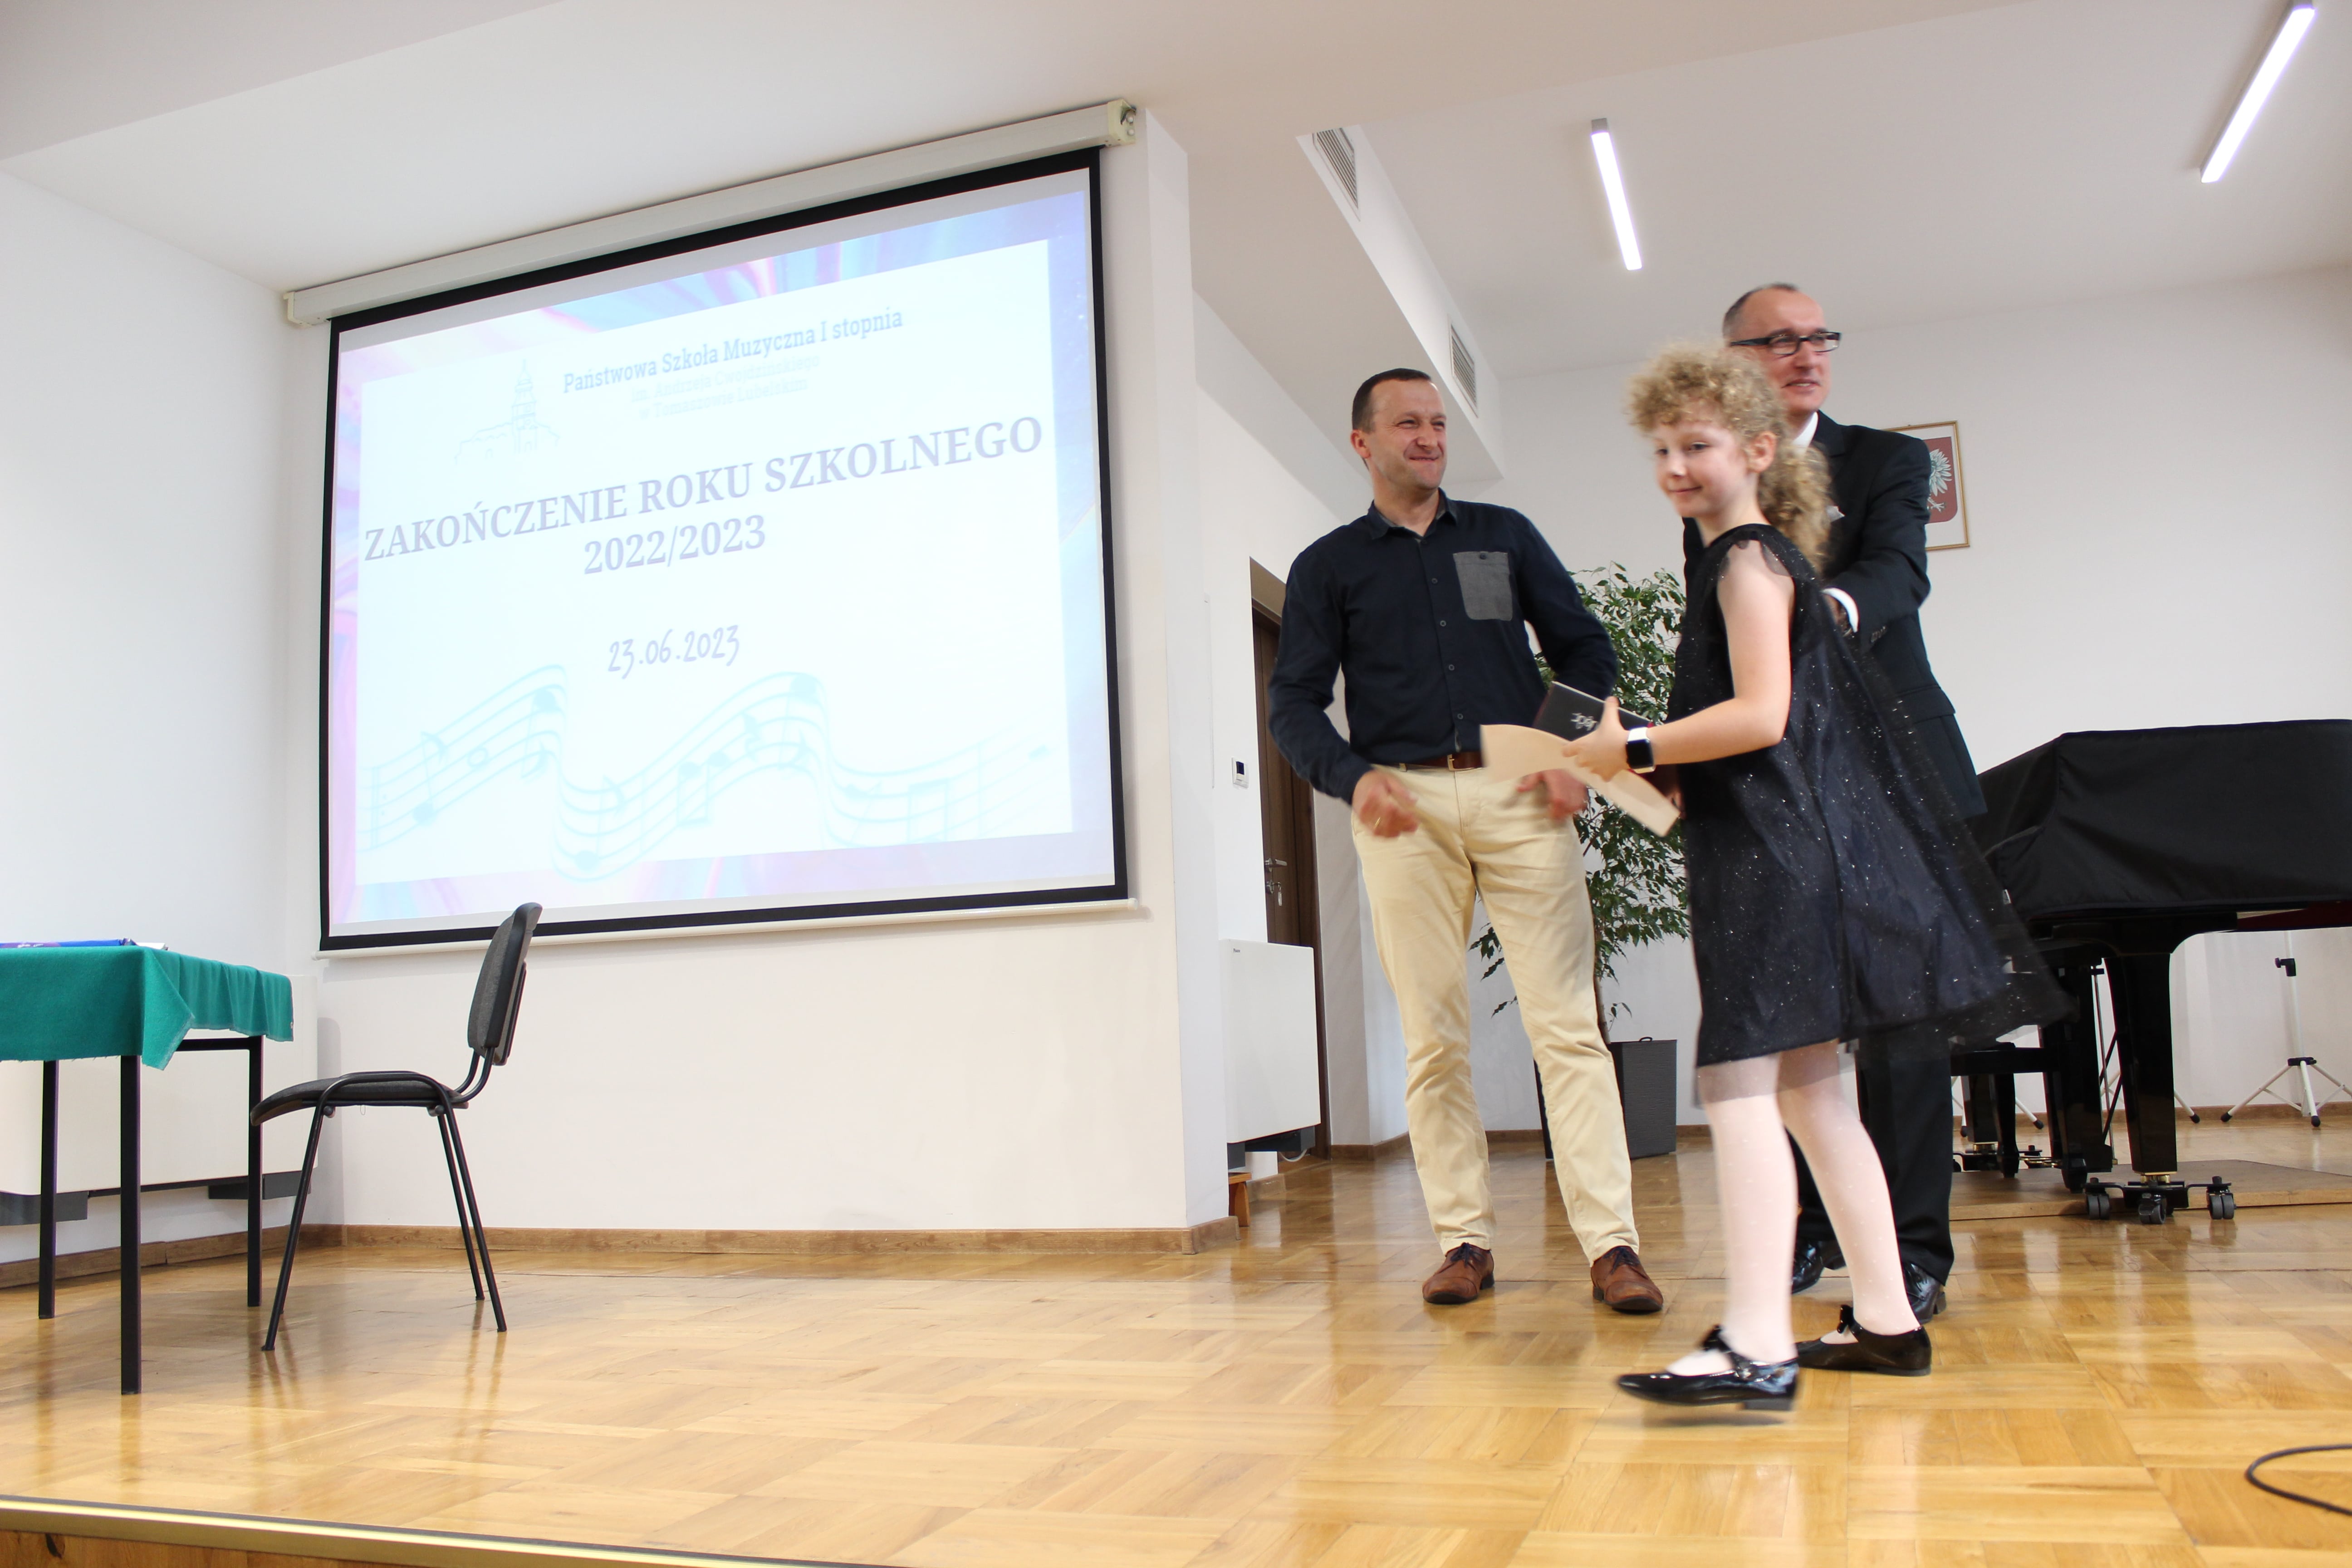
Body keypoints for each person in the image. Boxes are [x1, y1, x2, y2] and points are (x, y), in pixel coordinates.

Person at [1570, 346, 2056, 1407]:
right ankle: (1887, 1321)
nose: (1674, 467)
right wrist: (1661, 766)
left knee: (1736, 1085)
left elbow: (1762, 716)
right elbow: (1776, 737)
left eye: (1696, 446)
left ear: (1756, 451)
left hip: (1773, 862)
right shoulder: (1757, 558)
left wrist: (1633, 746)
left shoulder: (1746, 561)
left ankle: (1756, 1343)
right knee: (1813, 1094)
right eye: (1661, 449)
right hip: (1779, 847)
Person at [1268, 368, 1663, 1315]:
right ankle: (1464, 1242)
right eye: (1408, 423)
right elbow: (1293, 702)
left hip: (1520, 791)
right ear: (1363, 443)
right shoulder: (1329, 566)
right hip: (1401, 802)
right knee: (1433, 1038)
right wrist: (1352, 777)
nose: (1430, 437)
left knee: (1567, 1028)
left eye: (1439, 423)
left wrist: (1570, 747)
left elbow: (1586, 649)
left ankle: (1613, 1246)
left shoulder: (1504, 535)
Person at [1691, 284, 1978, 1323]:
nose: (1805, 353)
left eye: (1818, 337)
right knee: (1795, 1019)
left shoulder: (1890, 461)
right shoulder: (1718, 478)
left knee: (1901, 1022)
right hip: (1781, 782)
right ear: (1734, 359)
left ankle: (1911, 1256)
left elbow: (1899, 573)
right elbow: (1719, 636)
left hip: (1895, 764)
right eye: (1779, 339)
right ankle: (1810, 1234)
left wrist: (1823, 612)